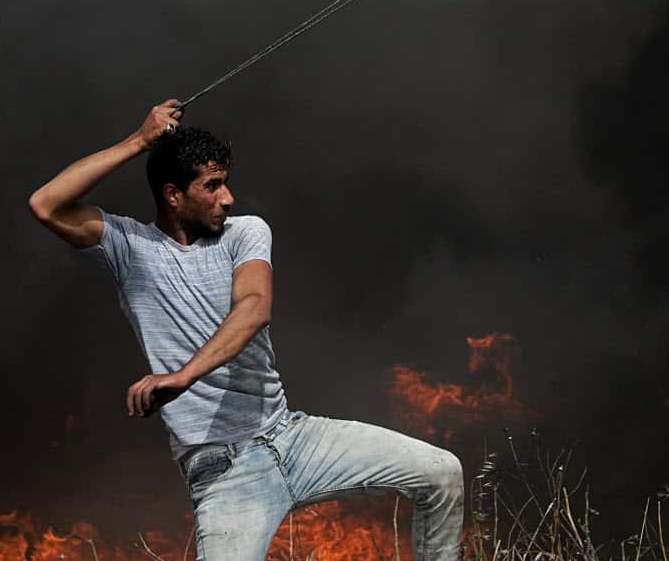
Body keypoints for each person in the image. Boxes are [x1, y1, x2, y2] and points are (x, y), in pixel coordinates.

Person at [28, 99, 464, 561]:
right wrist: (139, 141)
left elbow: (254, 307)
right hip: (223, 470)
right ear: (174, 195)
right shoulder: (129, 248)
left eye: (226, 183)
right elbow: (45, 204)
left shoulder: (245, 232)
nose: (227, 197)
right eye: (212, 186)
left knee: (441, 472)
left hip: (291, 437)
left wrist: (183, 375)